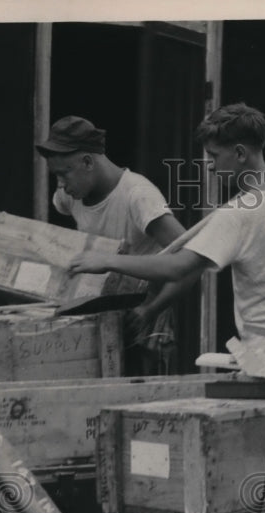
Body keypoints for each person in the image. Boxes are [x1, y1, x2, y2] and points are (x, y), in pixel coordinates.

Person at [67, 103, 265, 337]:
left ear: (241, 154)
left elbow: (177, 268)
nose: (210, 165)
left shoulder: (236, 212)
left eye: (215, 155)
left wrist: (105, 261)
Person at [36, 115, 191, 372]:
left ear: (87, 161)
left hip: (143, 320)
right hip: (99, 314)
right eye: (55, 176)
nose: (60, 185)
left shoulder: (138, 197)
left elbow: (192, 260)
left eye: (64, 174)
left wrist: (151, 309)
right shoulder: (70, 196)